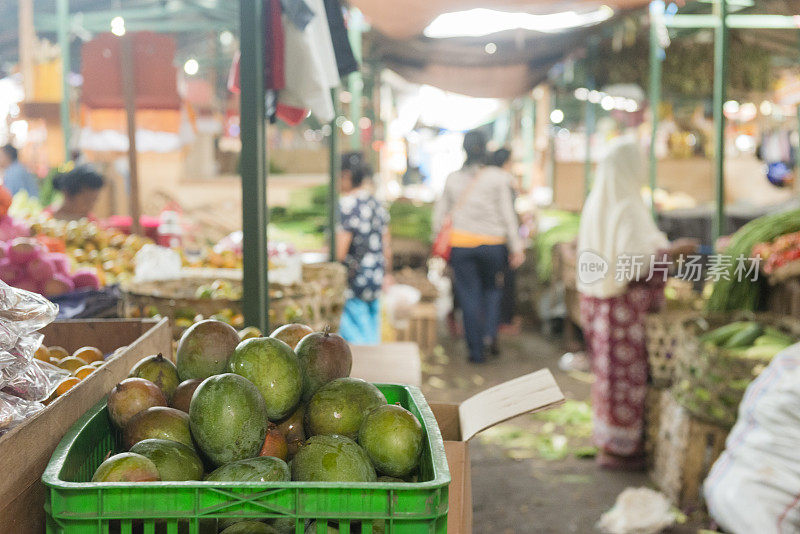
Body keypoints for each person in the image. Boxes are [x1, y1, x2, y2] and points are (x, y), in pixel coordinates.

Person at [577, 135, 694, 470]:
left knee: (607, 377)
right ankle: (623, 450)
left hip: (601, 305)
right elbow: (635, 264)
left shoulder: (598, 199)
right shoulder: (627, 205)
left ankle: (609, 442)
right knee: (626, 379)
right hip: (624, 310)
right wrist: (674, 252)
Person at [433, 131, 524, 364]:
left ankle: (475, 350)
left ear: (464, 149)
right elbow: (507, 214)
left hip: (462, 246)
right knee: (493, 291)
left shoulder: (452, 178)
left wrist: (438, 246)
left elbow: (439, 216)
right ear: (486, 148)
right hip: (493, 245)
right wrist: (516, 246)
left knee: (468, 296)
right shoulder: (498, 177)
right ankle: (489, 336)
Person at [336, 152, 392, 344]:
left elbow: (340, 252)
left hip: (355, 281)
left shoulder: (347, 205)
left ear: (346, 176)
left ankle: (366, 374)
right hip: (375, 277)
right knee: (372, 332)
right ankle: (376, 372)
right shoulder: (376, 203)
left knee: (358, 340)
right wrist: (387, 273)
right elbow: (386, 244)